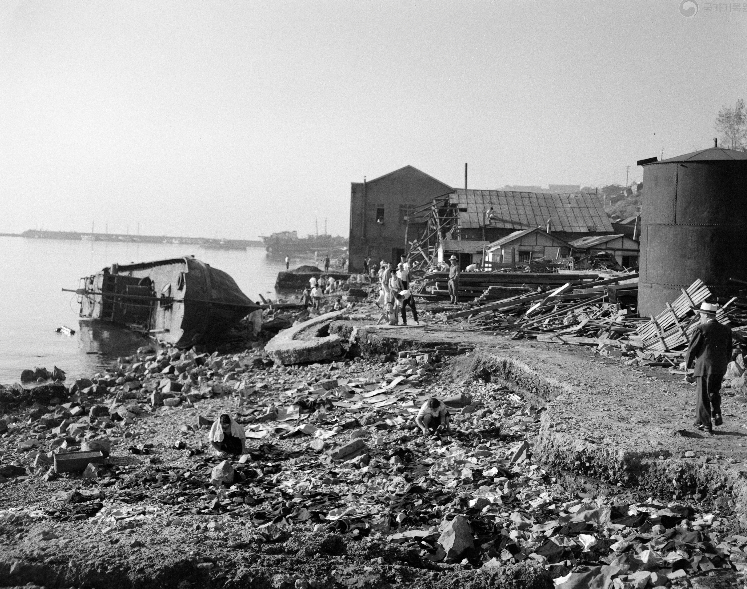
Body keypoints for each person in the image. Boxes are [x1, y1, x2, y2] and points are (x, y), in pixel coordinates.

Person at [684, 302, 732, 436]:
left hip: (704, 367)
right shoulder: (726, 330)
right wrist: (724, 363)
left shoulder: (701, 329)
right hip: (720, 367)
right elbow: (729, 351)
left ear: (705, 315)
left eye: (701, 315)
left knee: (703, 395)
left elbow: (692, 350)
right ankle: (716, 413)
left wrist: (687, 366)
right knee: (714, 392)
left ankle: (706, 424)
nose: (700, 317)